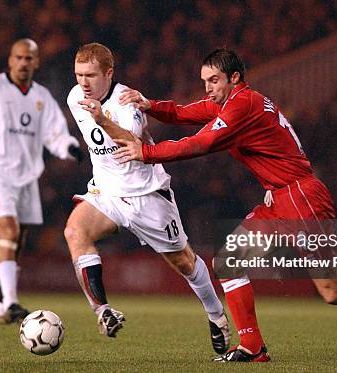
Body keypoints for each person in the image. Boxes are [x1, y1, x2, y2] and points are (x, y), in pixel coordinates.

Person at [115, 48, 337, 362]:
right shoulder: (233, 101)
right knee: (229, 259)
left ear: (234, 77)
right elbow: (187, 112)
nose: (208, 88)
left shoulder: (242, 105)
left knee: (335, 291)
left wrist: (146, 153)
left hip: (301, 199)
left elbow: (203, 142)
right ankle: (252, 347)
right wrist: (150, 105)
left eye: (213, 81)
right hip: (281, 196)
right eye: (204, 81)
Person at [64, 42, 231, 354]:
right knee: (75, 231)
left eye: (90, 75)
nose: (83, 82)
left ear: (109, 74)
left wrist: (103, 120)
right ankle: (103, 311)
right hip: (108, 192)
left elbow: (135, 145)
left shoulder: (128, 101)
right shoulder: (75, 96)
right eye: (78, 75)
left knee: (184, 261)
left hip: (146, 194)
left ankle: (216, 315)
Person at [0, 39, 82, 324]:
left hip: (28, 176)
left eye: (29, 58)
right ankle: (12, 301)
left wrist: (68, 146)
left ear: (36, 62)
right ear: (10, 59)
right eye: (19, 57)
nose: (24, 63)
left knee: (19, 239)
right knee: (9, 230)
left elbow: (54, 132)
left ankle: (4, 305)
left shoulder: (41, 96)